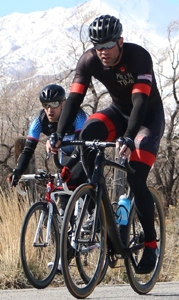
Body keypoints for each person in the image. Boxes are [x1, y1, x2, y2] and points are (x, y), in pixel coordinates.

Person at [51, 14, 165, 274]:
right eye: (97, 46)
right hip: (117, 111)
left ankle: (150, 243)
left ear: (120, 42)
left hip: (146, 117)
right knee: (88, 135)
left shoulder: (138, 57)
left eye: (108, 46)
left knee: (136, 179)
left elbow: (139, 102)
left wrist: (128, 136)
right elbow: (74, 99)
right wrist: (58, 134)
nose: (102, 52)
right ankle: (97, 212)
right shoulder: (89, 60)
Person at [9, 84, 88, 187]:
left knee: (77, 179)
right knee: (62, 188)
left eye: (54, 104)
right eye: (46, 105)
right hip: (66, 154)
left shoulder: (77, 114)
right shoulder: (39, 121)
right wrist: (18, 172)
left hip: (85, 152)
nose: (50, 109)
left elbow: (80, 145)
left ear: (63, 103)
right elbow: (28, 151)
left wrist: (68, 167)